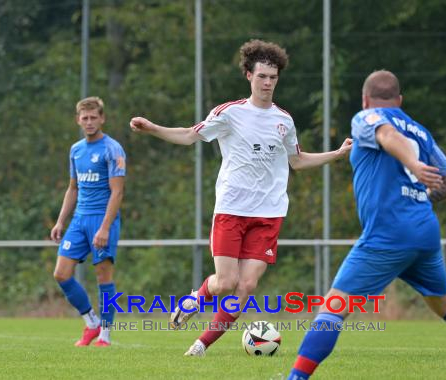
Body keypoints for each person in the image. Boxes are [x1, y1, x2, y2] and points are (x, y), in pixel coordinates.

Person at [288, 70, 446, 380]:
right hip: (424, 231)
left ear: (365, 99)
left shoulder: (366, 117)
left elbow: (388, 136)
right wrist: (419, 195)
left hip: (388, 233)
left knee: (332, 308)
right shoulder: (420, 131)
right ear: (399, 101)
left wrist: (413, 165)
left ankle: (295, 379)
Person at [130, 39, 352, 356]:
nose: (268, 83)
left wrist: (338, 154)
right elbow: (191, 136)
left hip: (270, 213)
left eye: (273, 78)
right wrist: (153, 128)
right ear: (249, 75)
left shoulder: (284, 120)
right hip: (232, 209)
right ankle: (195, 298)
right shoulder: (230, 113)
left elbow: (298, 161)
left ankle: (201, 345)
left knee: (246, 286)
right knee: (224, 283)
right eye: (262, 76)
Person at [50, 96, 126, 347]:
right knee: (61, 273)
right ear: (78, 120)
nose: (90, 122)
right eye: (85, 118)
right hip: (79, 220)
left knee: (103, 276)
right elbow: (73, 188)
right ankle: (91, 322)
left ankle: (105, 335)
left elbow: (117, 192)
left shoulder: (112, 149)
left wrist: (105, 227)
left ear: (102, 118)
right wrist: (61, 221)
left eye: (94, 117)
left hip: (102, 220)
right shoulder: (75, 149)